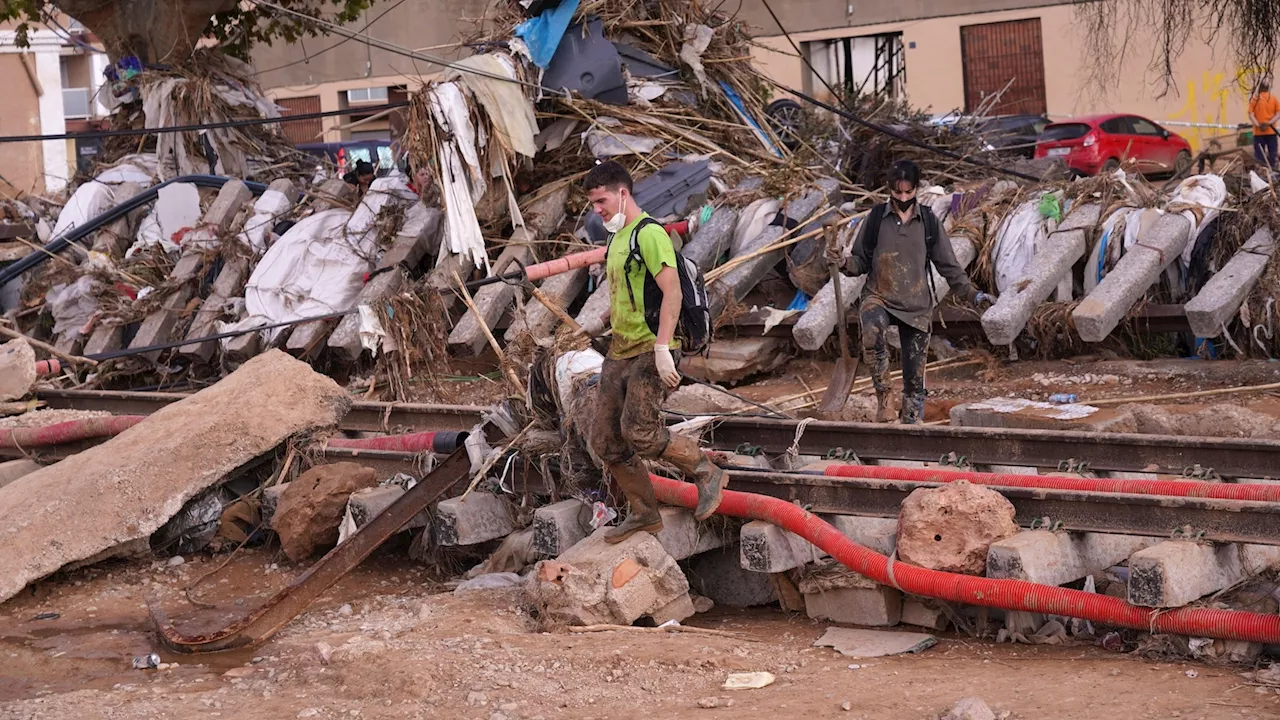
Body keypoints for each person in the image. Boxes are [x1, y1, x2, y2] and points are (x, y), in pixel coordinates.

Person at [583, 160, 727, 544]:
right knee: (606, 442)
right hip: (621, 349)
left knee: (640, 432)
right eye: (594, 203)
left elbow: (672, 292)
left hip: (652, 347)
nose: (597, 210)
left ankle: (706, 471)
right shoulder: (616, 238)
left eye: (601, 201)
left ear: (622, 194)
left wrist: (664, 347)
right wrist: (596, 325)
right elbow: (623, 293)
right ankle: (645, 514)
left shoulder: (650, 234)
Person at [830, 159, 993, 425]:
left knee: (914, 377)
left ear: (917, 188)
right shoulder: (875, 220)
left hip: (916, 305)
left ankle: (912, 425)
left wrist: (973, 295)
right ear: (889, 189)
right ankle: (884, 397)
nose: (903, 198)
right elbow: (860, 262)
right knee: (871, 330)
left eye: (908, 192)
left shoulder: (928, 222)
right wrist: (843, 262)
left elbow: (949, 267)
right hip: (879, 296)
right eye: (897, 192)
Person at [1249, 80, 1280, 170]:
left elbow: (1251, 114)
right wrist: (1269, 123)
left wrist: (1258, 124)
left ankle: (1261, 173)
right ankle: (1273, 172)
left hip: (1258, 133)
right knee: (1272, 154)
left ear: (1260, 88)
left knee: (1259, 156)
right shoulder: (1273, 99)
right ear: (1268, 88)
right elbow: (1278, 114)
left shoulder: (1255, 99)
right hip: (1271, 131)